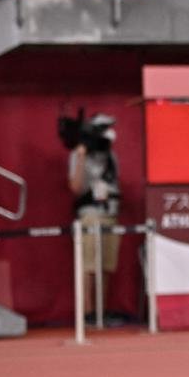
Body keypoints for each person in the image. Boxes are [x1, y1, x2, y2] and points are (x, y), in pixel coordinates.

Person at [68, 114, 121, 320]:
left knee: (106, 266)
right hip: (90, 215)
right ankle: (87, 312)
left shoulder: (110, 156)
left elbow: (115, 183)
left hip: (110, 213)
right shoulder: (78, 155)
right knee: (88, 266)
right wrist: (81, 156)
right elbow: (75, 187)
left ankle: (101, 311)